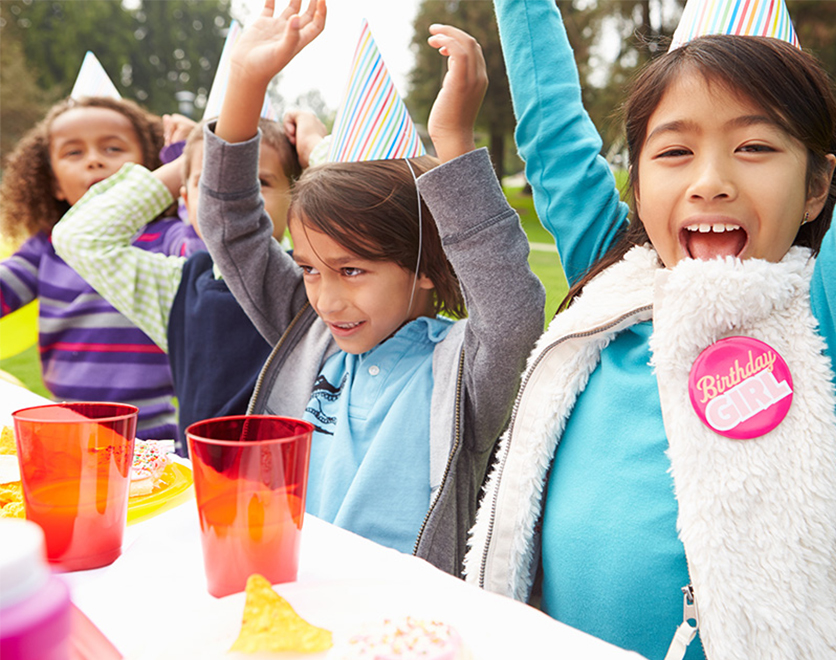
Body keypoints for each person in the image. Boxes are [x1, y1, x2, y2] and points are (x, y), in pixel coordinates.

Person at [465, 1, 836, 660]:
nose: (711, 180)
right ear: (636, 184)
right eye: (674, 151)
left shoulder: (823, 324)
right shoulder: (608, 276)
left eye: (754, 147)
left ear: (818, 186)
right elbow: (552, 134)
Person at [197, 0, 545, 576]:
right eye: (309, 268)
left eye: (352, 270)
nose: (326, 300)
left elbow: (511, 309)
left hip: (407, 631)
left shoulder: (461, 369)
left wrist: (454, 142)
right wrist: (246, 79)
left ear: (426, 263)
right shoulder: (309, 333)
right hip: (292, 593)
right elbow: (231, 229)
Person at [51, 115, 306, 451]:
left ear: (293, 199)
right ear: (185, 200)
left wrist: (317, 151)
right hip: (202, 487)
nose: (235, 198)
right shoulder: (178, 286)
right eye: (214, 183)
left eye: (260, 182)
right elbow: (80, 238)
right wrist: (196, 154)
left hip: (294, 486)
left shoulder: (312, 281)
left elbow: (363, 227)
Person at [0, 96, 201, 440]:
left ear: (150, 167)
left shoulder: (164, 237)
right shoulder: (45, 249)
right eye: (74, 153)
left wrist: (189, 160)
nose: (93, 160)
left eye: (112, 148)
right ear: (53, 184)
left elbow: (202, 254)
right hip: (62, 433)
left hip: (152, 434)